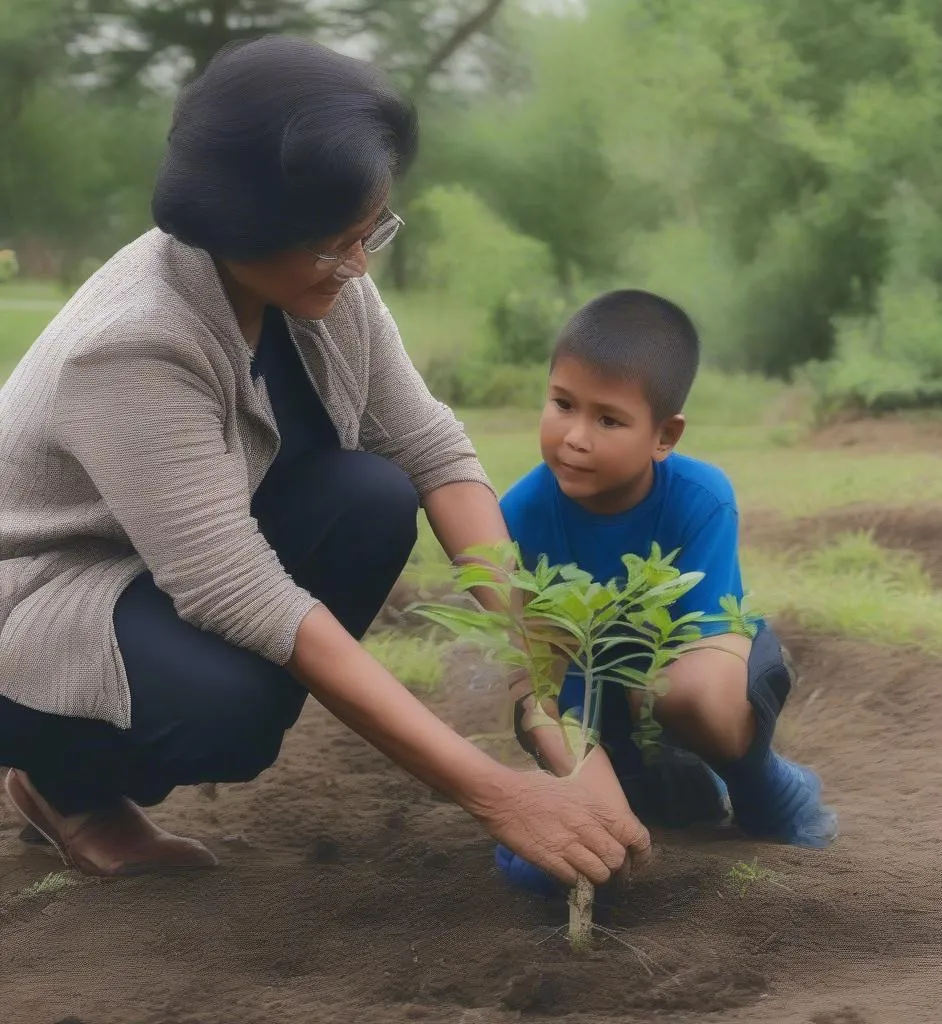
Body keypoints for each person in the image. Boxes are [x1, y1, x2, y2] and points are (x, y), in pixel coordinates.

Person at [0, 36, 651, 886]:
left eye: (370, 231)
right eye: (336, 244)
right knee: (229, 715)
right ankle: (66, 781)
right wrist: (496, 792)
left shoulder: (320, 278)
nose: (359, 263)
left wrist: (538, 673)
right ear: (241, 224)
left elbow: (429, 445)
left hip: (145, 574)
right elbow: (237, 591)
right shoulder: (134, 346)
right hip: (38, 605)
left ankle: (92, 764)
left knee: (371, 496)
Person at [491, 289, 838, 896]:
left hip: (691, 674)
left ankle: (762, 782)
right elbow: (539, 684)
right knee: (561, 867)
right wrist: (578, 786)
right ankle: (657, 780)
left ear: (665, 435)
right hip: (584, 696)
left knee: (692, 697)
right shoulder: (517, 514)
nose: (574, 437)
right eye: (562, 404)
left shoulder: (700, 497)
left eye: (608, 419)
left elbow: (706, 642)